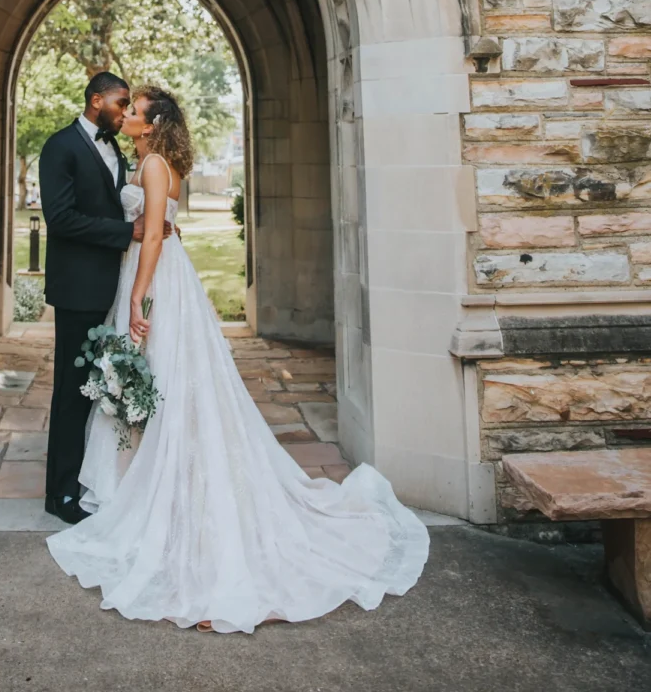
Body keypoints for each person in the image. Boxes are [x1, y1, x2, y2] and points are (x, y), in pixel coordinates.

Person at [47, 86, 429, 633]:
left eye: (134, 110)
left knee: (160, 376)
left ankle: (161, 487)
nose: (126, 115)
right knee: (158, 379)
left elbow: (152, 235)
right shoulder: (156, 161)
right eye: (124, 107)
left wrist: (137, 297)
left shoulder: (153, 165)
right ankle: (139, 479)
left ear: (151, 125)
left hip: (153, 277)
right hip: (154, 273)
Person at [39, 71, 172, 526]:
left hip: (113, 285)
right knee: (71, 392)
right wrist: (126, 231)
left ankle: (96, 477)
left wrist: (152, 223)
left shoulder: (115, 148)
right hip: (77, 288)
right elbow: (60, 218)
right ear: (97, 101)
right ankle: (60, 495)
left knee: (100, 389)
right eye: (120, 104)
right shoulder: (60, 146)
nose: (123, 112)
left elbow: (124, 203)